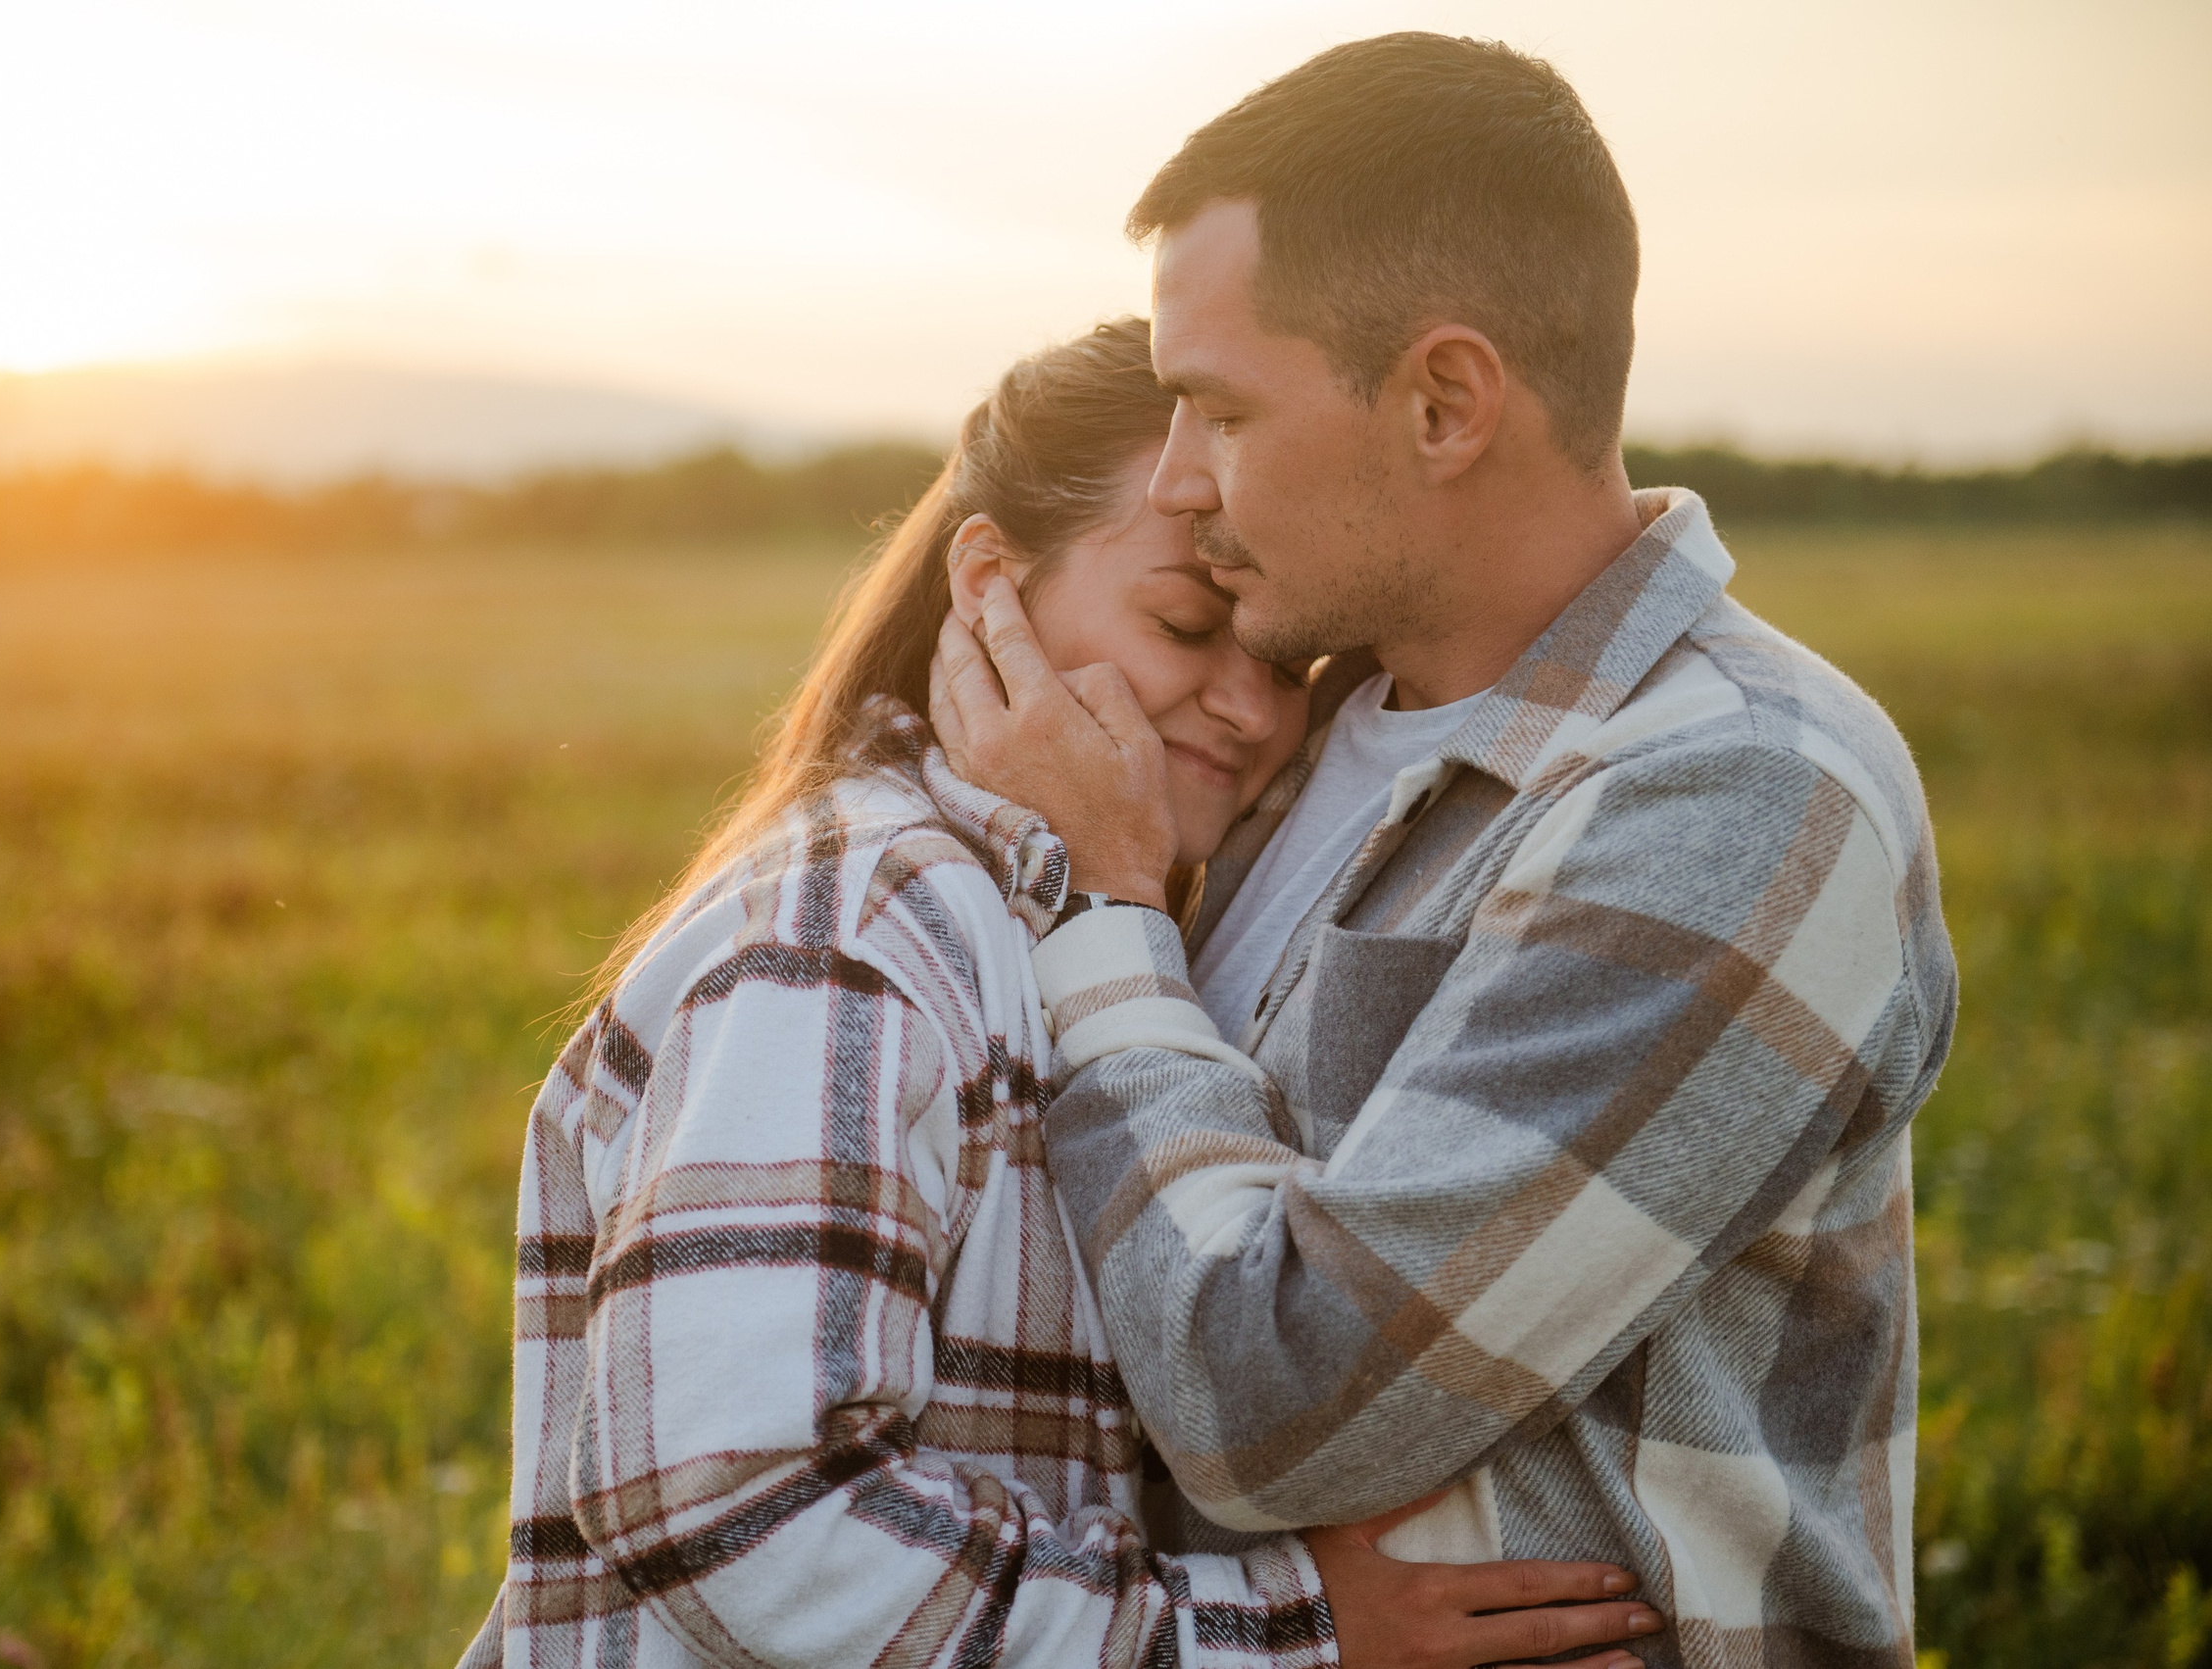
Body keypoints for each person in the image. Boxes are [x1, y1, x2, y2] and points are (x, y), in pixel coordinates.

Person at [931, 35, 1957, 1669]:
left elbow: (1280, 1409)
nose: (1181, 480)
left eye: (1217, 408)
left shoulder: (1743, 801)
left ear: (1443, 401)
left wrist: (1110, 911)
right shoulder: (1313, 721)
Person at [455, 319, 1667, 1669]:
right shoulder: (855, 936)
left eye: (1286, 664)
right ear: (990, 583)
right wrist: (1280, 1640)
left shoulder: (1077, 922)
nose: (1251, 713)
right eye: (1186, 625)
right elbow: (737, 1506)